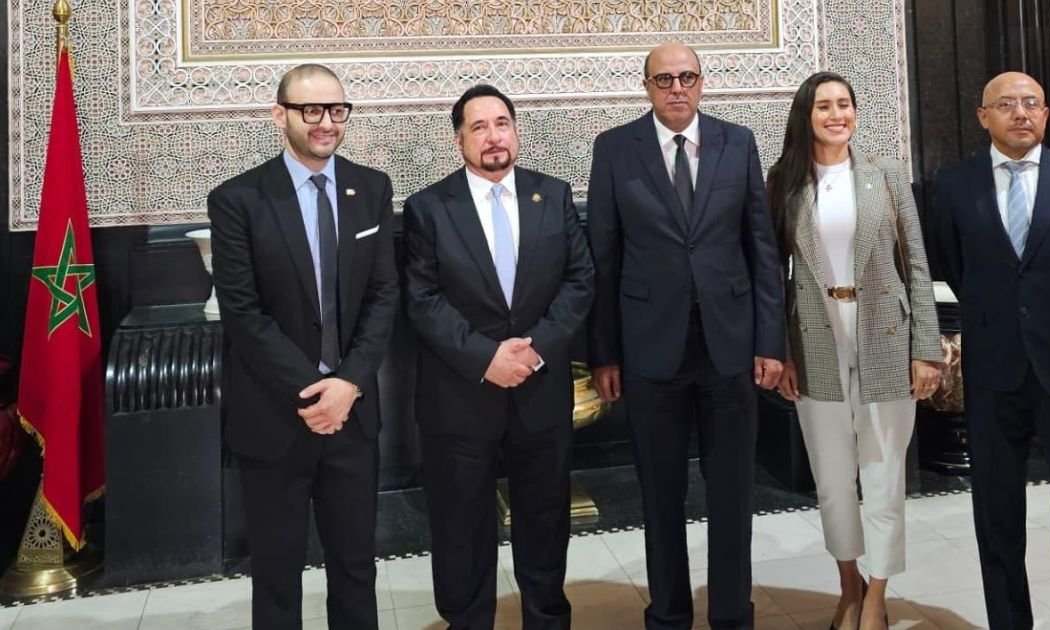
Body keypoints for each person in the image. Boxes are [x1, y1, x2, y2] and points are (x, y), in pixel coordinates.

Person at [587, 42, 785, 630]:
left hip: (730, 347)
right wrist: (604, 354)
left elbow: (761, 250)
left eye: (688, 77)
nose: (677, 88)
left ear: (702, 82)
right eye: (665, 79)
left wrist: (769, 342)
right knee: (660, 495)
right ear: (646, 86)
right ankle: (669, 616)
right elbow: (604, 257)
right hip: (650, 351)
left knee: (732, 496)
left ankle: (732, 616)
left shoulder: (737, 142)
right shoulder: (615, 148)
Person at [209, 63, 399, 629]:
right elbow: (244, 314)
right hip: (275, 418)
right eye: (311, 110)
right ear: (280, 115)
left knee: (356, 567)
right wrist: (316, 391)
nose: (326, 123)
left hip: (352, 416)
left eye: (337, 110)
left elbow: (384, 294)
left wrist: (348, 384)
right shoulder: (238, 199)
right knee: (276, 575)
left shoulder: (371, 188)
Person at [931, 71, 1050, 628]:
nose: (1021, 113)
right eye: (1007, 104)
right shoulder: (953, 184)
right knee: (997, 518)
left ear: (1045, 114)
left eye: (1031, 103)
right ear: (982, 116)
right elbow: (950, 262)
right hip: (994, 368)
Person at [404, 84, 594, 630]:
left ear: (516, 131)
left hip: (540, 388)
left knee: (546, 519)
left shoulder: (552, 195)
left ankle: (547, 619)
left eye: (502, 123)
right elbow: (422, 299)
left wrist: (535, 352)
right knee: (461, 525)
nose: (493, 136)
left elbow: (580, 281)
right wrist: (486, 358)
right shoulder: (428, 208)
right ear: (459, 139)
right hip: (460, 394)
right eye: (479, 127)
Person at [769, 72, 942, 630]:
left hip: (886, 335)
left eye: (844, 104)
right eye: (824, 106)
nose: (836, 114)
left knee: (884, 470)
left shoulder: (885, 176)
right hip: (813, 338)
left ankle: (877, 596)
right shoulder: (785, 181)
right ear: (806, 116)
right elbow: (771, 274)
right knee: (833, 475)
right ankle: (849, 586)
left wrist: (927, 349)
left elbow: (916, 263)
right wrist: (780, 351)